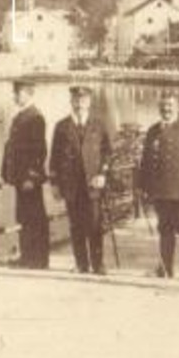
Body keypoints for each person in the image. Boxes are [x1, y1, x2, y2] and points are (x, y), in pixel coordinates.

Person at [135, 94, 179, 282]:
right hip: (159, 189)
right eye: (163, 106)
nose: (167, 109)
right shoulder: (152, 131)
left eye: (170, 106)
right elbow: (146, 162)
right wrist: (142, 185)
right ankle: (166, 268)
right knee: (164, 227)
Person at [49, 86, 115, 275]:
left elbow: (108, 153)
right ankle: (81, 264)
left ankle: (98, 263)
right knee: (76, 225)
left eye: (83, 100)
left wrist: (103, 174)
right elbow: (54, 157)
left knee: (95, 224)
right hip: (71, 186)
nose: (79, 104)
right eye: (76, 100)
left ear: (89, 102)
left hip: (92, 185)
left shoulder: (99, 124)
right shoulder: (62, 127)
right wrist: (54, 184)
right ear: (71, 102)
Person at [0, 79, 49, 268]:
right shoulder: (21, 117)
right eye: (15, 93)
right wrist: (7, 173)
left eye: (18, 93)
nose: (15, 96)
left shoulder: (35, 117)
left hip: (29, 180)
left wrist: (31, 177)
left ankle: (38, 259)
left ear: (29, 94)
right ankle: (28, 257)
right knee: (24, 217)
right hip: (20, 179)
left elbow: (39, 151)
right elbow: (11, 148)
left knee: (34, 217)